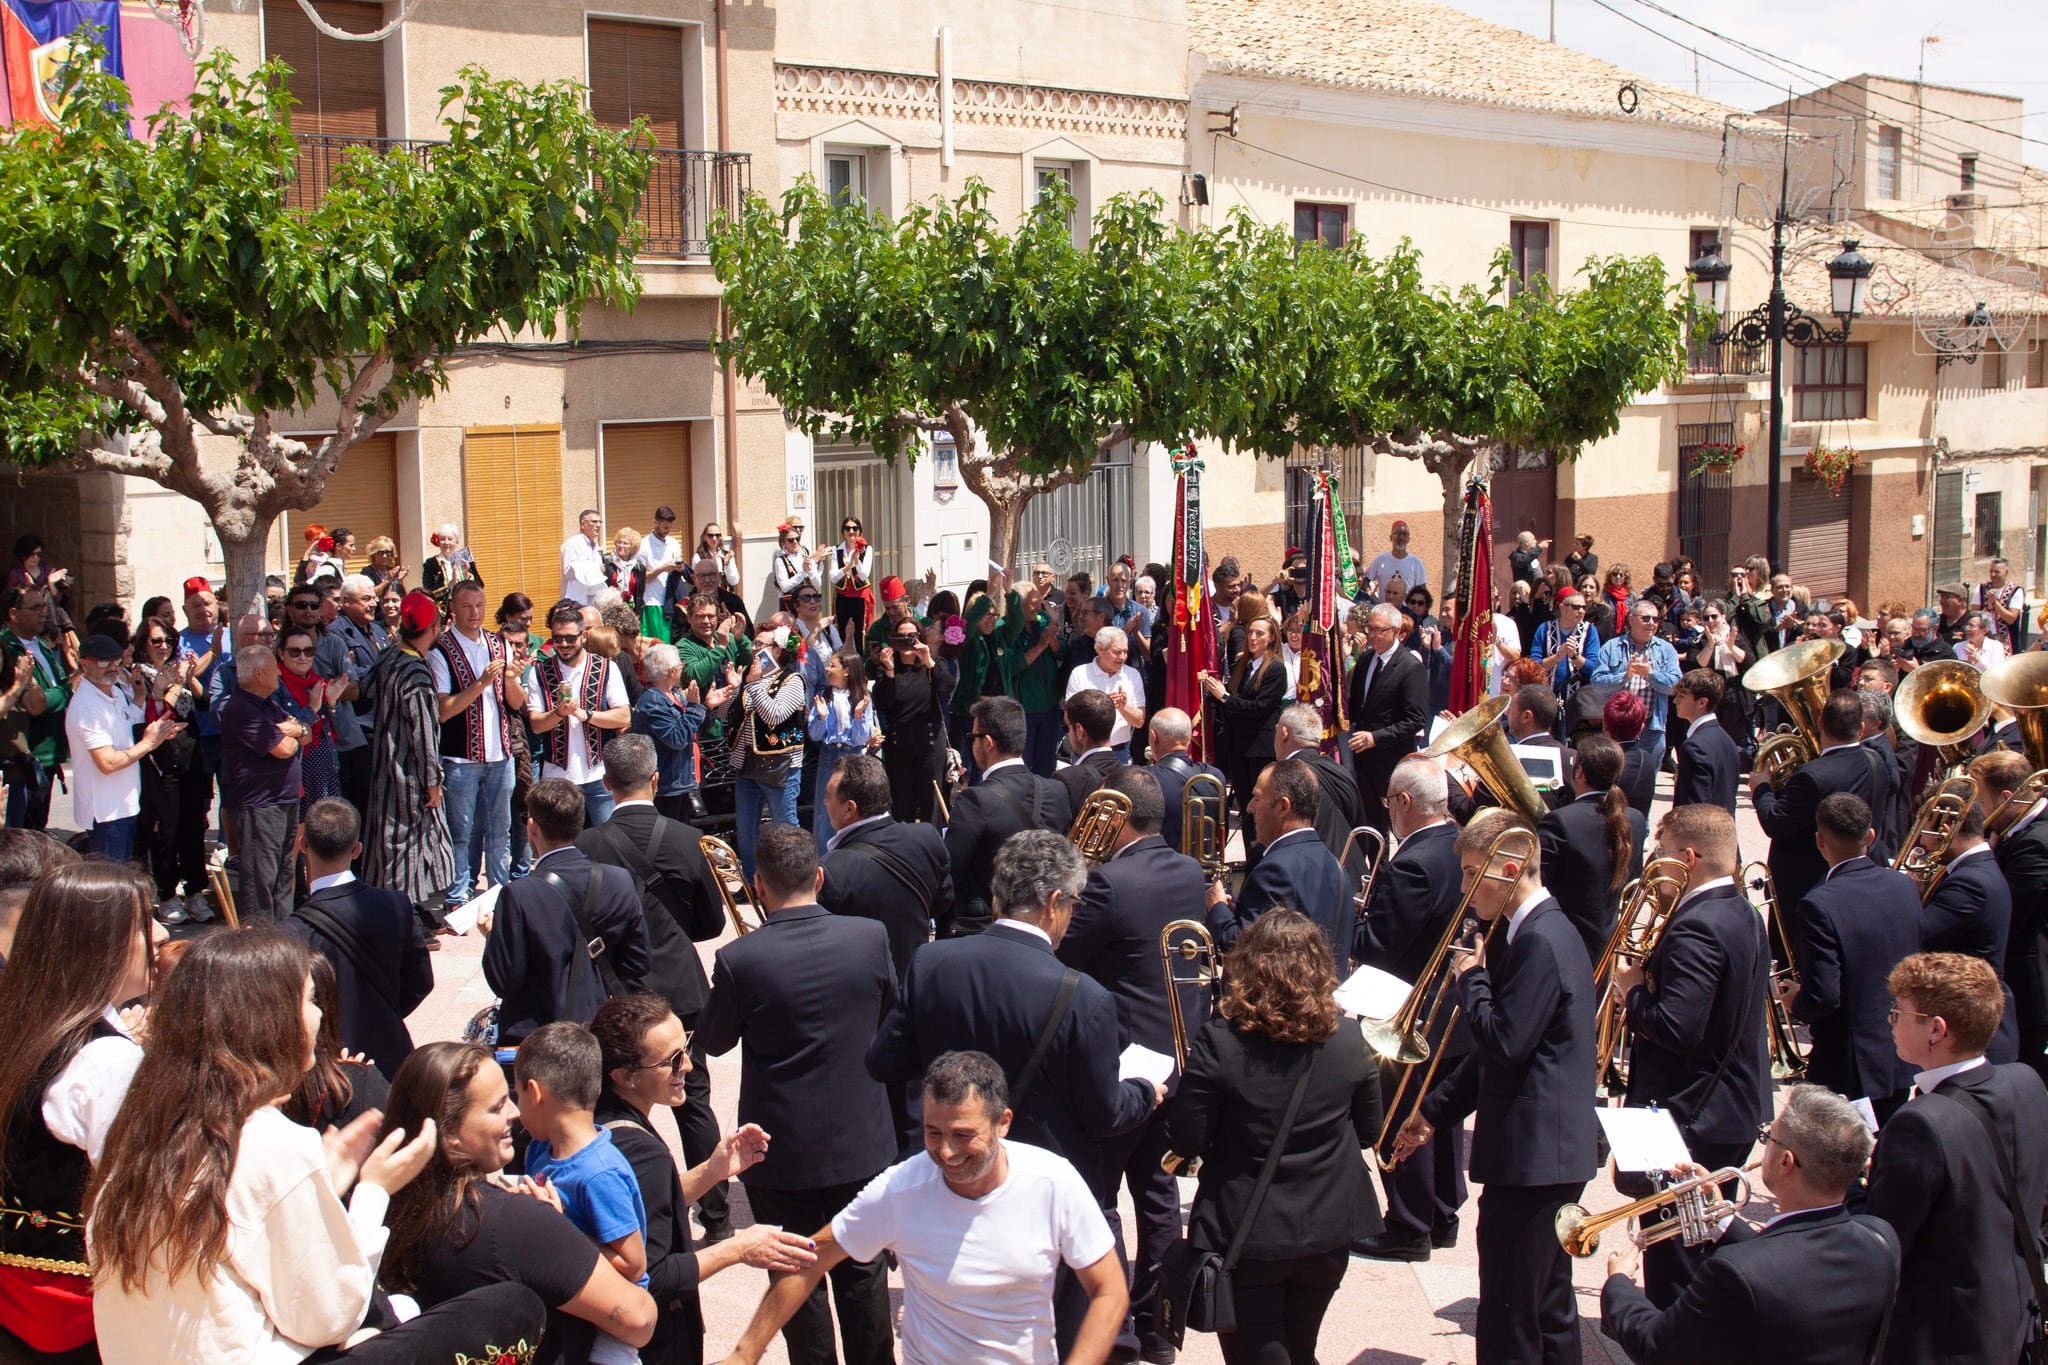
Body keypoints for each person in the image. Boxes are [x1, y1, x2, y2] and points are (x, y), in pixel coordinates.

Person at [88, 929, 546, 1363]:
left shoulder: (139, 1132)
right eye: (309, 1000)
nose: (322, 1014)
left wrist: (323, 1178)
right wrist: (372, 1192)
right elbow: (330, 1317)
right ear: (269, 1022)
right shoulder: (269, 1140)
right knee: (513, 1307)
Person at [867, 834, 1162, 1353]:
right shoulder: (1084, 996)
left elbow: (884, 1060)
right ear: (1053, 903)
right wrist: (1144, 1089)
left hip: (951, 1185)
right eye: (1071, 903)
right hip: (1041, 1206)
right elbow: (1104, 1115)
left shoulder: (934, 964)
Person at [725, 1050, 1126, 1365]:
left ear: (1003, 1122)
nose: (946, 1152)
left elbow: (1108, 1289)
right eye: (934, 1132)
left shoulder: (1053, 1182)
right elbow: (810, 1259)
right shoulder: (902, 1188)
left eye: (963, 1134)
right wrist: (746, 1353)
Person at [1394, 808, 1600, 1365]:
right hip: (1546, 1154)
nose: (1463, 889)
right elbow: (1501, 1056)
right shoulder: (1536, 931)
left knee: (1512, 1311)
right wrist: (1432, 1111)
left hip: (1534, 1157)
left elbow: (1504, 1041)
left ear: (1509, 869)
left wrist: (1472, 979)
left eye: (1469, 873)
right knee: (1546, 1307)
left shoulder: (1538, 939)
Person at [696, 826, 898, 1365]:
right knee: (864, 1279)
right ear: (820, 877)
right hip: (862, 1141)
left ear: (758, 885)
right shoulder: (870, 936)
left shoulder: (742, 959)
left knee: (794, 1282)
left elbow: (713, 1042)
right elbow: (888, 1015)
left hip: (780, 1151)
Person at [1163, 909, 1385, 1365]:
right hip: (1330, 1225)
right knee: (1301, 1347)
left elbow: (1188, 1138)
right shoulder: (1351, 1038)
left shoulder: (1219, 1041)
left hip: (1249, 1231)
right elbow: (1369, 1132)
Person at [378, 1042, 659, 1364]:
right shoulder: (515, 1223)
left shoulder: (387, 1205)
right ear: (450, 1132)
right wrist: (561, 1229)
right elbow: (639, 1320)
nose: (514, 1112)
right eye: (496, 1107)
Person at [1054, 766, 1204, 1359]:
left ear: (1115, 819)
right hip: (1175, 1055)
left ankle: (1112, 1332)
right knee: (1159, 1193)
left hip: (1121, 1063)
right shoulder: (1191, 870)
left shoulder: (1109, 883)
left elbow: (1060, 946)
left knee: (1099, 1194)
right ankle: (1159, 1328)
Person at [1599, 1084, 1897, 1365]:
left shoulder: (1734, 1271)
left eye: (1769, 1138)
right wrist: (1723, 1220)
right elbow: (1791, 1266)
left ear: (1785, 1162)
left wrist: (1619, 1285)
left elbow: (1657, 1347)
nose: (1764, 1144)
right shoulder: (1881, 1241)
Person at [1612, 804, 1772, 1306]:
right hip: (1725, 1108)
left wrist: (1632, 991)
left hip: (1688, 1120)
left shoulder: (1696, 925)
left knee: (1674, 1262)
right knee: (1702, 1252)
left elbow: (1677, 1027)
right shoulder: (1743, 910)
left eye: (1660, 851)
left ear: (1690, 855)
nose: (1652, 861)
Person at [579, 734, 734, 1241]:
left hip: (617, 993)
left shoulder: (588, 845)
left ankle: (619, 1213)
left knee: (611, 1105)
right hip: (680, 989)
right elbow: (712, 924)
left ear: (606, 784)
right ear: (656, 780)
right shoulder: (689, 840)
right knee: (693, 1101)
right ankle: (716, 1216)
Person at [0, 862, 155, 1358]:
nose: (161, 932)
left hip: (17, 1303)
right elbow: (136, 1195)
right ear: (98, 944)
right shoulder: (105, 1057)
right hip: (77, 1313)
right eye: (142, 922)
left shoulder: (24, 1022)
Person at [1868, 951, 2048, 1365]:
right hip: (2017, 1314)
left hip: (1943, 1337)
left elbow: (1885, 1238)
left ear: (1937, 1029)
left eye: (1899, 1013)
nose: (1891, 1021)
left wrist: (1859, 1181)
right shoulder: (2027, 1081)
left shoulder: (1919, 1124)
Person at [1352, 754, 1471, 1261]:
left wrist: (1349, 919)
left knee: (1401, 1113)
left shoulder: (1415, 863)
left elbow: (1379, 943)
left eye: (1389, 805)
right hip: (1447, 1007)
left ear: (1404, 803)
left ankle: (1408, 1224)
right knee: (1437, 1114)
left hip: (1408, 1008)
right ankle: (1442, 1213)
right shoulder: (1459, 843)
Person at [513, 1022, 653, 1365]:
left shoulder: (598, 1174)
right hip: (567, 1302)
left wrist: (557, 1227)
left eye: (515, 1095)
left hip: (607, 1332)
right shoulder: (539, 1148)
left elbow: (633, 1265)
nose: (515, 1109)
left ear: (535, 1092)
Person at [1780, 793, 1921, 1124]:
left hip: (1847, 1064)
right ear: (1870, 837)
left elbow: (1824, 996)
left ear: (1819, 842)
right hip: (1900, 1056)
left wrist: (1795, 1001)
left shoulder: (1819, 904)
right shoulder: (1904, 886)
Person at [483, 776, 652, 1046]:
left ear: (531, 827)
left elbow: (504, 981)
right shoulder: (618, 881)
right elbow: (637, 962)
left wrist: (493, 934)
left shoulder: (519, 894)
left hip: (535, 1039)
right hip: (597, 1031)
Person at [287, 797, 433, 1079]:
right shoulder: (396, 906)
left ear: (303, 845)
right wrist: (382, 1014)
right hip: (388, 1058)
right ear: (356, 850)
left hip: (325, 1068)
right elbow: (420, 981)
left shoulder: (291, 932)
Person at [1754, 689, 1891, 938]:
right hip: (1854, 879)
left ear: (1819, 723)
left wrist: (1761, 788)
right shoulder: (1876, 761)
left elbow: (1774, 821)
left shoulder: (1811, 775)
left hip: (1805, 887)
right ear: (1861, 728)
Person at [360, 591, 458, 921]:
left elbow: (364, 690)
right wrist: (433, 782)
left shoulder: (388, 657)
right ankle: (401, 915)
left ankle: (407, 909)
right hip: (407, 775)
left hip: (382, 766)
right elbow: (425, 735)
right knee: (406, 845)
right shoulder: (416, 673)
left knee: (393, 842)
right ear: (433, 627)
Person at [429, 579, 523, 911]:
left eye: (480, 605)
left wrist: (511, 679)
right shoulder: (440, 651)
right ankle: (459, 893)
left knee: (501, 830)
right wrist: (481, 683)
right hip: (460, 758)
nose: (475, 613)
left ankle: (500, 889)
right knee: (462, 831)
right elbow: (444, 710)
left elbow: (515, 702)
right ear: (453, 608)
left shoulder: (501, 644)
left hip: (500, 754)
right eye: (467, 606)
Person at [945, 697, 1073, 937]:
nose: (972, 745)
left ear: (989, 743)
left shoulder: (974, 800)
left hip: (986, 930)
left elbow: (950, 873)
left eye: (973, 738)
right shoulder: (1057, 791)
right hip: (1044, 926)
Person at [819, 753, 953, 981]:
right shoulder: (927, 838)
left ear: (850, 809)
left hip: (866, 992)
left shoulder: (830, 871)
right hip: (916, 983)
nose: (824, 802)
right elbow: (943, 901)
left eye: (828, 796)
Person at [1205, 759, 1350, 970]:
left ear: (1283, 806)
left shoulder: (1275, 871)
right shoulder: (1336, 867)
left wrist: (1217, 907)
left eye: (1257, 798)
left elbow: (1244, 949)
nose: (1249, 807)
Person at [1916, 794, 2022, 1063]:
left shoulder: (1970, 883)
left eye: (1923, 827)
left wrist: (1906, 891)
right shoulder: (1975, 870)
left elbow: (1918, 934)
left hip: (1974, 1027)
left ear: (1946, 829)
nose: (1919, 840)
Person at [62, 632, 180, 860]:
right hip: (106, 813)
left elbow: (126, 723)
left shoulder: (113, 691)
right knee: (110, 886)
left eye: (116, 661)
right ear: (84, 665)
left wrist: (143, 706)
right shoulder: (87, 707)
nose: (112, 668)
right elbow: (107, 762)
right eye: (104, 662)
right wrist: (148, 743)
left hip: (123, 806)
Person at [1537, 734, 1644, 963]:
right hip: (1608, 944)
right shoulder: (1635, 819)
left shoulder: (1560, 822)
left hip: (1566, 948)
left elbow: (1535, 886)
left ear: (1580, 772)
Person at [217, 643, 304, 921]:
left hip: (284, 801)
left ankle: (280, 939)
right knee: (260, 883)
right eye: (272, 669)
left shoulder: (268, 704)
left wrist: (294, 729)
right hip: (261, 807)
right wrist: (293, 732)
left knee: (283, 876)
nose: (278, 673)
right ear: (257, 673)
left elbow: (303, 731)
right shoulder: (241, 708)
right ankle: (260, 945)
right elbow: (284, 748)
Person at [1976, 750, 2048, 1082]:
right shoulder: (2022, 834)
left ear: (2007, 798)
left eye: (1983, 801)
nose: (1979, 812)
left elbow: (2009, 914)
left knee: (2030, 1077)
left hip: (2033, 986)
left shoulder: (2034, 844)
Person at [528, 599, 632, 827]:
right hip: (557, 777)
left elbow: (623, 716)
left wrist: (586, 715)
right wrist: (558, 714)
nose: (563, 644)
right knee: (562, 845)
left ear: (583, 636)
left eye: (570, 638)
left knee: (606, 842)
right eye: (557, 639)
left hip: (598, 775)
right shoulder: (540, 672)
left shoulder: (606, 668)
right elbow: (536, 724)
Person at [730, 623, 809, 880]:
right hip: (747, 765)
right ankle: (753, 882)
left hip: (780, 766)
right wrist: (729, 693)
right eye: (755, 644)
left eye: (761, 645)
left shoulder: (793, 680)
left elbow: (774, 714)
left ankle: (794, 881)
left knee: (785, 826)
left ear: (779, 650)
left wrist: (752, 685)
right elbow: (731, 717)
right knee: (746, 830)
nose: (755, 650)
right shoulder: (751, 677)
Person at [1346, 602, 1430, 835]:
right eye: (1370, 629)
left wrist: (1376, 738)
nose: (1373, 635)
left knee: (1397, 826)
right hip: (1363, 760)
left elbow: (1416, 720)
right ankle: (1373, 869)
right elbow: (1357, 706)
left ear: (1395, 631)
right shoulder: (1365, 661)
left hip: (1391, 760)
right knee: (1369, 825)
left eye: (1379, 630)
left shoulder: (1410, 667)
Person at [1203, 615, 1287, 836]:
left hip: (1259, 749)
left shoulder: (1275, 669)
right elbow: (1231, 698)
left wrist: (1224, 697)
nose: (1252, 637)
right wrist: (1211, 692)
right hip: (1238, 746)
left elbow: (1259, 708)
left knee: (1259, 807)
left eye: (1259, 633)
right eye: (1250, 632)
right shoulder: (1243, 665)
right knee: (1245, 807)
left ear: (1271, 638)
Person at [872, 612, 954, 825]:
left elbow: (947, 686)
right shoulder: (887, 668)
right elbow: (883, 701)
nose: (907, 642)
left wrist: (927, 660)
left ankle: (932, 849)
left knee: (931, 803)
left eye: (912, 637)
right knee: (901, 803)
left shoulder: (933, 664)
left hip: (928, 742)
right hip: (899, 744)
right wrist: (889, 670)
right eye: (901, 637)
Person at [0, 585, 70, 830]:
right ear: (13, 613)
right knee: (21, 838)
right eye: (35, 608)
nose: (43, 613)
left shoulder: (40, 644)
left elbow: (55, 686)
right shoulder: (8, 649)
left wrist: (60, 691)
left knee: (37, 829)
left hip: (49, 752)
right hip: (28, 756)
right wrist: (66, 691)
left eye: (44, 606)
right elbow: (35, 704)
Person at [1590, 598, 1683, 777]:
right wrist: (1624, 676)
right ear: (1631, 619)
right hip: (1616, 729)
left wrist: (1651, 675)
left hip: (1651, 730)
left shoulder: (1666, 650)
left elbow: (1676, 686)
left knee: (1645, 784)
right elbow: (1597, 684)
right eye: (1646, 618)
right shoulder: (1611, 647)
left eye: (1656, 619)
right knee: (1613, 781)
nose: (1651, 623)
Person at [1272, 701, 1364, 859]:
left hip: (1309, 871)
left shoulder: (1286, 776)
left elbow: (1271, 833)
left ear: (1284, 734)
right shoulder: (1341, 772)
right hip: (1348, 868)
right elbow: (1361, 833)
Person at [1142, 707, 1226, 854]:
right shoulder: (1214, 776)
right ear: (1188, 739)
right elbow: (1220, 838)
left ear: (1153, 737)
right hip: (1203, 873)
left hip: (1160, 871)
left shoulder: (1145, 779)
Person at [1064, 626, 1145, 757]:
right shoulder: (1080, 673)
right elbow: (1070, 715)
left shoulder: (1132, 675)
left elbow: (1139, 721)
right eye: (1117, 652)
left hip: (1119, 752)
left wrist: (1124, 708)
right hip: (1085, 751)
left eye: (1126, 652)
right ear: (1100, 649)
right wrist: (1102, 706)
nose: (1123, 657)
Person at [1670, 669, 1740, 818]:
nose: (1675, 701)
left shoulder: (1693, 747)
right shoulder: (1727, 740)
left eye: (1682, 696)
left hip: (1700, 837)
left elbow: (1694, 809)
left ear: (1702, 702)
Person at [1055, 689, 1123, 811]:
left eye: (1067, 728)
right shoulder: (1129, 777)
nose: (1068, 734)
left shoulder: (1066, 779)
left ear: (1079, 731)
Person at [829, 518, 876, 643]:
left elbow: (864, 575)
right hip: (842, 594)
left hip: (860, 595)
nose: (851, 531)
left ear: (859, 531)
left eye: (855, 528)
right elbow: (833, 578)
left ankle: (861, 659)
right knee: (841, 628)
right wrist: (847, 567)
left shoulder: (867, 549)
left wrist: (856, 561)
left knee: (861, 630)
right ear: (843, 531)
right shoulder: (837, 549)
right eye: (848, 528)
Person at [419, 522, 483, 609]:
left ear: (456, 542)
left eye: (450, 539)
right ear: (438, 541)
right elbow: (427, 591)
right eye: (442, 539)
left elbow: (480, 586)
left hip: (466, 607)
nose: (446, 542)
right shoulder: (431, 563)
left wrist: (468, 576)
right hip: (443, 611)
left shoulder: (466, 560)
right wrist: (450, 584)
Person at [559, 507, 608, 607]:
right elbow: (568, 571)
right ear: (583, 524)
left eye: (600, 522)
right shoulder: (572, 544)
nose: (598, 525)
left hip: (592, 600)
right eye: (594, 522)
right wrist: (594, 567)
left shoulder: (594, 546)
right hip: (575, 601)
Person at [1365, 519, 1428, 593]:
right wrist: (1373, 599)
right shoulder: (1380, 560)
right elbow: (1365, 582)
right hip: (1384, 604)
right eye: (1398, 533)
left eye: (1405, 534)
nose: (1401, 537)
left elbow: (1422, 591)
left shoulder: (1416, 563)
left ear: (1408, 539)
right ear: (1391, 538)